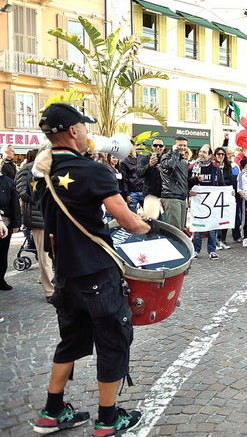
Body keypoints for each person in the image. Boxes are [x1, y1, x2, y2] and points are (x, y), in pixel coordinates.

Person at [31, 103, 155, 436]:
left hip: (67, 276)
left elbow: (53, 236)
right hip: (98, 274)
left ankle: (52, 411)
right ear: (73, 131)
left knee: (69, 342)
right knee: (113, 342)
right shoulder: (92, 171)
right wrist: (149, 227)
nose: (87, 132)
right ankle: (108, 418)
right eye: (84, 127)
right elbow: (128, 221)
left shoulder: (41, 173)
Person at [15, 150, 53, 300]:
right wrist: (42, 197)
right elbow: (22, 191)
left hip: (54, 217)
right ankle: (50, 291)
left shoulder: (55, 167)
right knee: (44, 257)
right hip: (39, 218)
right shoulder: (28, 168)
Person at [188, 145, 225, 260]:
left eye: (204, 152)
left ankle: (212, 250)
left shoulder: (215, 168)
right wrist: (188, 191)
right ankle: (196, 250)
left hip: (211, 203)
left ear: (209, 155)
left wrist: (229, 193)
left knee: (211, 228)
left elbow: (221, 184)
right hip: (197, 203)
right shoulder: (192, 167)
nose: (201, 154)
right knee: (197, 228)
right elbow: (186, 182)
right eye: (200, 151)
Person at [159, 136, 189, 231]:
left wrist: (196, 179)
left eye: (184, 145)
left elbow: (184, 179)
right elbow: (170, 166)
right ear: (174, 146)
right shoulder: (166, 157)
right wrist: (175, 152)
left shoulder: (183, 160)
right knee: (175, 230)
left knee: (180, 229)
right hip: (171, 196)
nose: (182, 147)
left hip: (182, 197)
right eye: (180, 145)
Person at [0, 164, 21, 292]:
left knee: (2, 253)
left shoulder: (7, 181)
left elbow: (15, 203)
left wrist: (16, 223)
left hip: (6, 223)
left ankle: (1, 279)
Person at [137, 138, 165, 218]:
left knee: (165, 222)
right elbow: (139, 173)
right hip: (150, 195)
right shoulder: (145, 159)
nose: (158, 147)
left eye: (160, 145)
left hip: (164, 194)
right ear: (152, 147)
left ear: (164, 147)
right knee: (151, 220)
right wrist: (149, 165)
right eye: (155, 145)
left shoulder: (167, 159)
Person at [213, 146, 235, 249]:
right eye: (219, 154)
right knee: (215, 218)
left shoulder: (228, 166)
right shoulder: (212, 165)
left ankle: (223, 239)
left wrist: (229, 189)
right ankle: (215, 240)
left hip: (225, 194)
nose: (221, 156)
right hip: (214, 195)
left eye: (223, 154)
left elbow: (230, 179)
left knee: (225, 217)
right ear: (215, 155)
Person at [121, 143, 144, 214]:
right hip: (132, 192)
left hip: (144, 191)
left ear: (134, 146)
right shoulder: (124, 161)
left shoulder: (143, 158)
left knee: (151, 215)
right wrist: (127, 194)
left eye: (130, 146)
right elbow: (124, 179)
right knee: (132, 216)